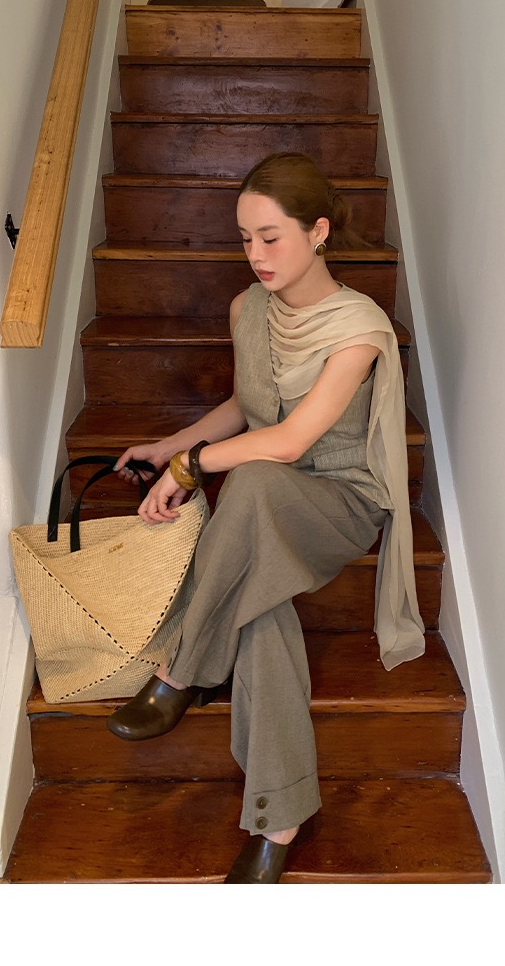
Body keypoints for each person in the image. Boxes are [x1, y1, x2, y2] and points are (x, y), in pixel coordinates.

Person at [109, 151, 425, 883]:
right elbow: (245, 405)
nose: (256, 254)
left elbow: (288, 441)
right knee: (260, 603)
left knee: (250, 480)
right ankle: (279, 817)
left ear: (318, 231)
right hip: (260, 501)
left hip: (337, 499)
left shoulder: (359, 328)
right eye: (246, 238)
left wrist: (192, 469)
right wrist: (170, 445)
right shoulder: (247, 309)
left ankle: (182, 667)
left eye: (271, 237)